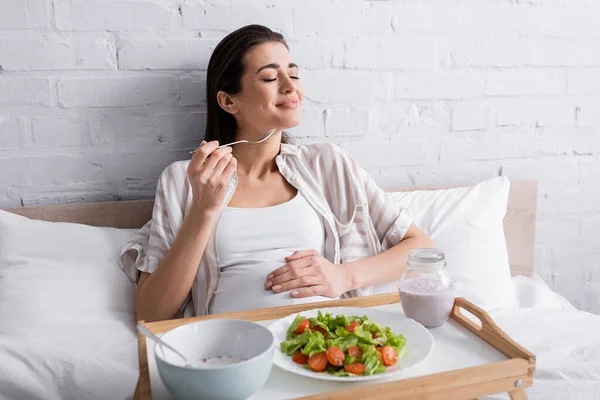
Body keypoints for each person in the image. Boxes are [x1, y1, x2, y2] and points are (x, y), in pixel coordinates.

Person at [120, 24, 434, 323]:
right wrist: (203, 210)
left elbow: (421, 246)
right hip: (237, 348)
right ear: (229, 101)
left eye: (293, 74)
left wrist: (345, 276)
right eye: (270, 78)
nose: (290, 86)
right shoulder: (185, 180)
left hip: (326, 338)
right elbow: (151, 314)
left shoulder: (327, 164)